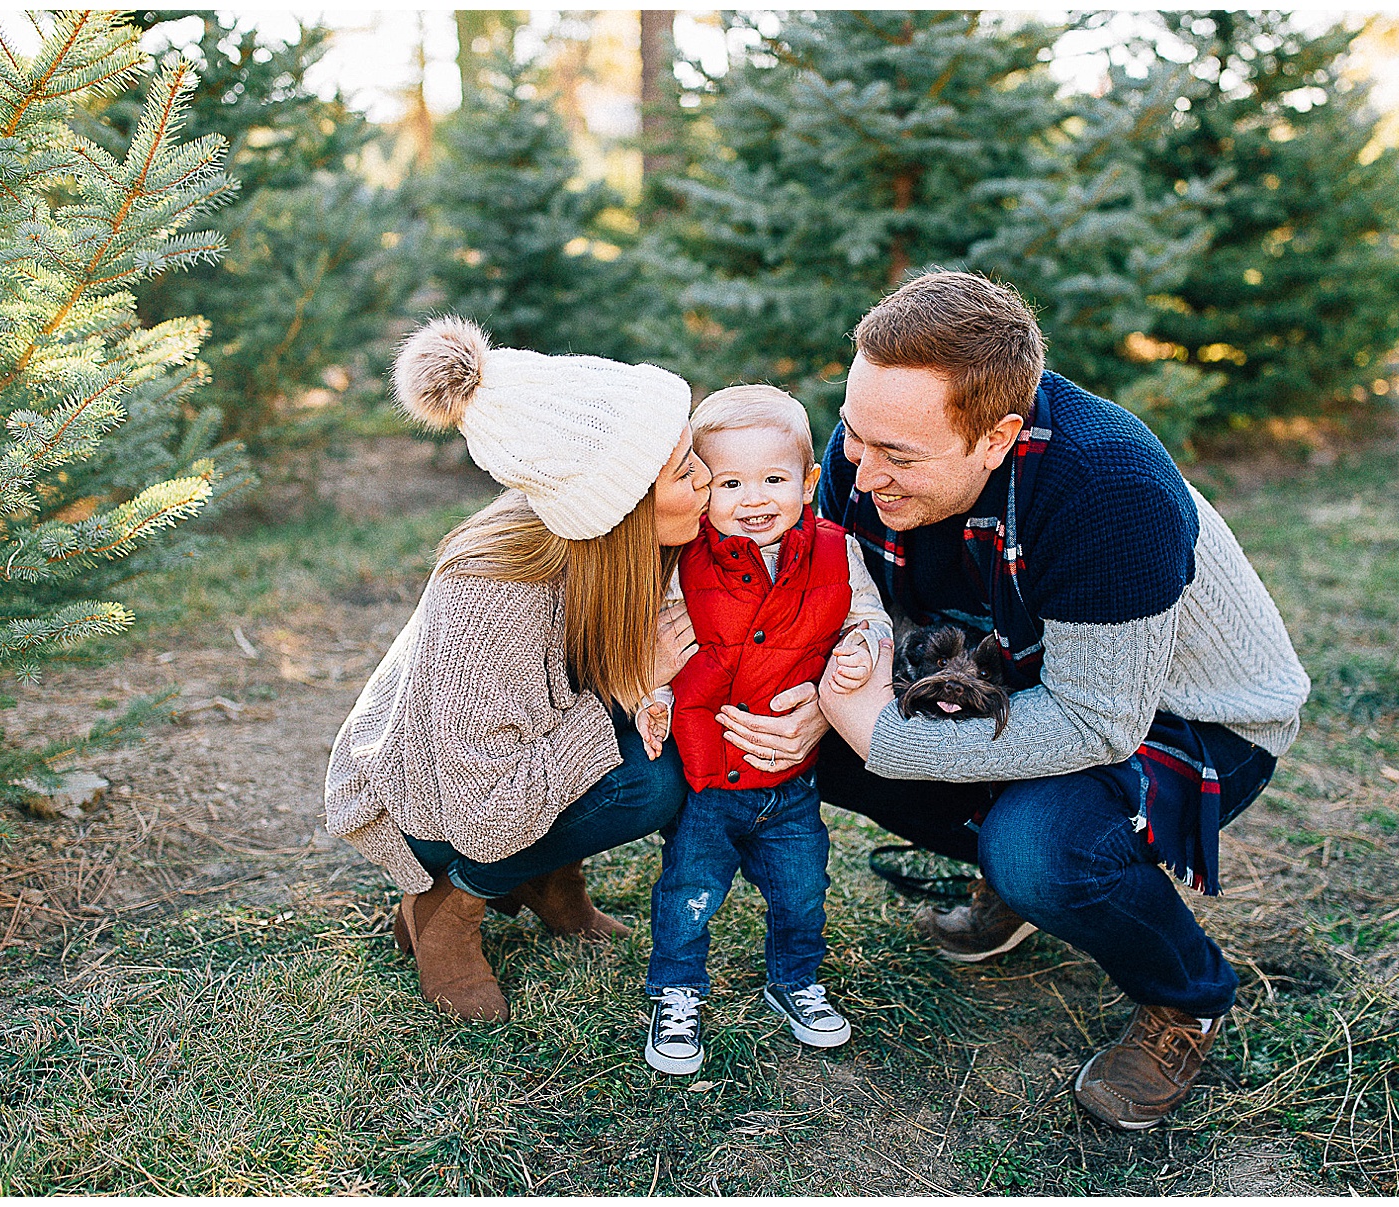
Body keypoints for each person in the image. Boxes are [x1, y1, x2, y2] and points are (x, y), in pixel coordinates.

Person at [715, 271, 1311, 1131]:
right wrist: (837, 683)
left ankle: (1187, 996)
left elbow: (1096, 721)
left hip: (1189, 715)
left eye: (898, 458)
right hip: (1017, 668)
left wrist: (883, 733)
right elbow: (851, 586)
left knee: (1041, 850)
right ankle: (1012, 883)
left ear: (996, 438)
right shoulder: (871, 441)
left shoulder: (1110, 489)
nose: (858, 467)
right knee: (802, 730)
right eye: (856, 434)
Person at [324, 315, 712, 1023]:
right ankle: (449, 906)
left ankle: (548, 878)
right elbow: (485, 813)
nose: (707, 480)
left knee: (671, 748)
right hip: (427, 800)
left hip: (511, 770)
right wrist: (635, 681)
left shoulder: (619, 548)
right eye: (685, 470)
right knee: (647, 783)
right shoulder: (492, 597)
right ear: (619, 507)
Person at [630, 386, 892, 1075]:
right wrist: (653, 696)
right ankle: (677, 990)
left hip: (790, 780)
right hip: (709, 775)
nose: (754, 498)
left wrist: (862, 643)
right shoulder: (685, 562)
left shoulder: (838, 552)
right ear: (701, 488)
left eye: (774, 479)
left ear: (808, 483)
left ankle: (796, 979)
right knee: (689, 891)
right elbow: (659, 640)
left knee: (802, 888)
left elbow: (868, 614)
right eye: (730, 481)